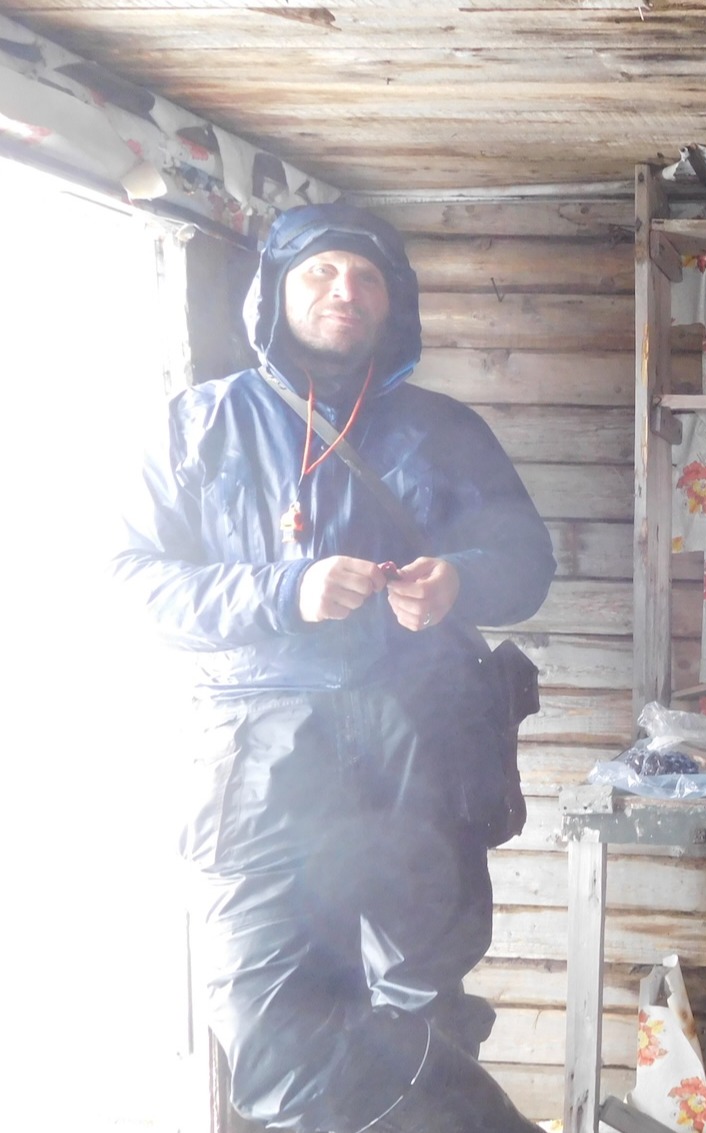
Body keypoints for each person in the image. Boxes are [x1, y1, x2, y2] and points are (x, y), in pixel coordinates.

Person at [113, 202, 556, 1132]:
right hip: (262, 750)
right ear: (274, 291)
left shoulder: (445, 428)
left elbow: (526, 564)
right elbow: (137, 583)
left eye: (366, 276)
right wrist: (285, 592)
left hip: (422, 736)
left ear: (395, 304)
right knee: (265, 1016)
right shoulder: (201, 424)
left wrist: (458, 582)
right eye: (319, 271)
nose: (343, 291)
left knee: (422, 997)